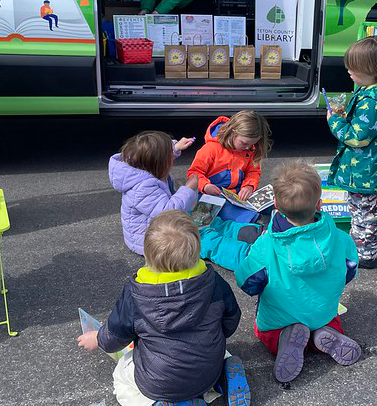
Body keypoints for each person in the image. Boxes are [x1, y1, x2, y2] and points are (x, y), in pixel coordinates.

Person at [77, 210, 251, 406]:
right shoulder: (213, 282)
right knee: (219, 350)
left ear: (147, 255)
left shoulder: (137, 294)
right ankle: (224, 378)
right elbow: (231, 320)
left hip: (161, 383)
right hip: (207, 371)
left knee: (122, 377)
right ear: (197, 250)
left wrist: (96, 339)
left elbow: (115, 337)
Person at [235, 161, 361, 384]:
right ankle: (322, 333)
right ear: (320, 204)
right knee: (328, 318)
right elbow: (350, 269)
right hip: (322, 312)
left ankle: (286, 336)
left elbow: (246, 281)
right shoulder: (340, 239)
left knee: (267, 330)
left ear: (275, 204)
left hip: (280, 316)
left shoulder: (266, 245)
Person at [326, 36, 377, 268]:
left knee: (364, 214)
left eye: (354, 68)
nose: (349, 71)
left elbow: (358, 137)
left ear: (370, 70)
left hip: (366, 171)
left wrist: (334, 122)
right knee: (368, 209)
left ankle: (364, 255)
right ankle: (364, 245)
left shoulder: (371, 101)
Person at [188, 111, 272, 270]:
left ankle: (267, 221)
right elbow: (194, 173)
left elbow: (253, 171)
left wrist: (249, 185)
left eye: (251, 144)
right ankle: (257, 225)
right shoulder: (210, 149)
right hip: (211, 196)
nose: (248, 147)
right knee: (231, 212)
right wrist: (205, 185)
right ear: (233, 133)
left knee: (268, 202)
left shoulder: (249, 148)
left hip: (236, 193)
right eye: (244, 143)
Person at [109, 130, 199, 255]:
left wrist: (176, 147)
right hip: (151, 242)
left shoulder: (141, 165)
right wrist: (188, 188)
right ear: (158, 164)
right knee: (197, 241)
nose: (172, 161)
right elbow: (167, 212)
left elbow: (155, 154)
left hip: (157, 229)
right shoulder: (142, 187)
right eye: (169, 159)